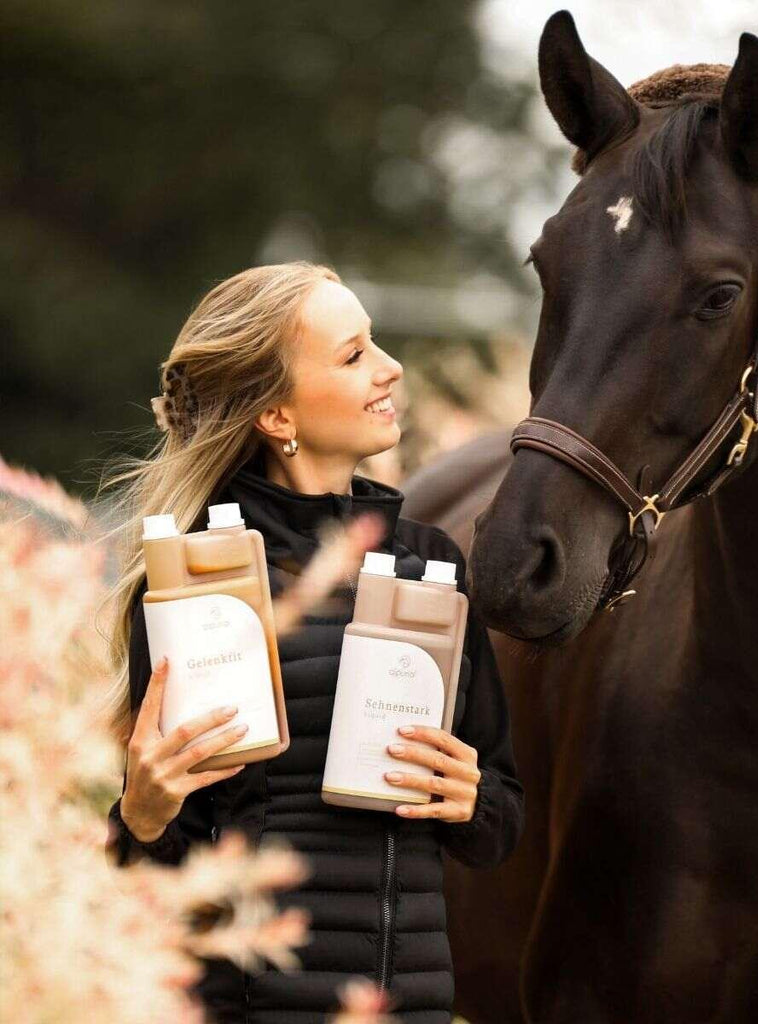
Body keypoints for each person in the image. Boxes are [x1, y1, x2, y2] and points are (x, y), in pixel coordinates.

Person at [102, 262, 525, 1024]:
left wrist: (472, 799)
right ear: (277, 416)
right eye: (354, 355)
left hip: (410, 1008)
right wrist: (140, 814)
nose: (391, 368)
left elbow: (499, 824)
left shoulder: (433, 564)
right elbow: (153, 875)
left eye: (375, 343)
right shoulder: (190, 585)